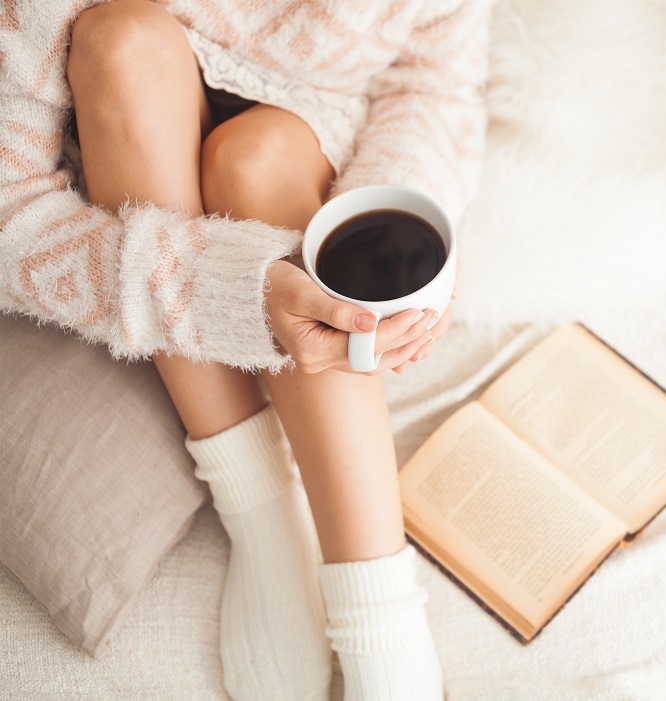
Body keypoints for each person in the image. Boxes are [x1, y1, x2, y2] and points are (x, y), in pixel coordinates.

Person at [0, 0, 490, 699]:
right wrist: (232, 295)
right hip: (121, 143)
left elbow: (433, 85)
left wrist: (400, 246)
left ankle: (377, 600)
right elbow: (9, 213)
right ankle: (258, 504)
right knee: (120, 44)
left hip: (308, 131)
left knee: (255, 158)